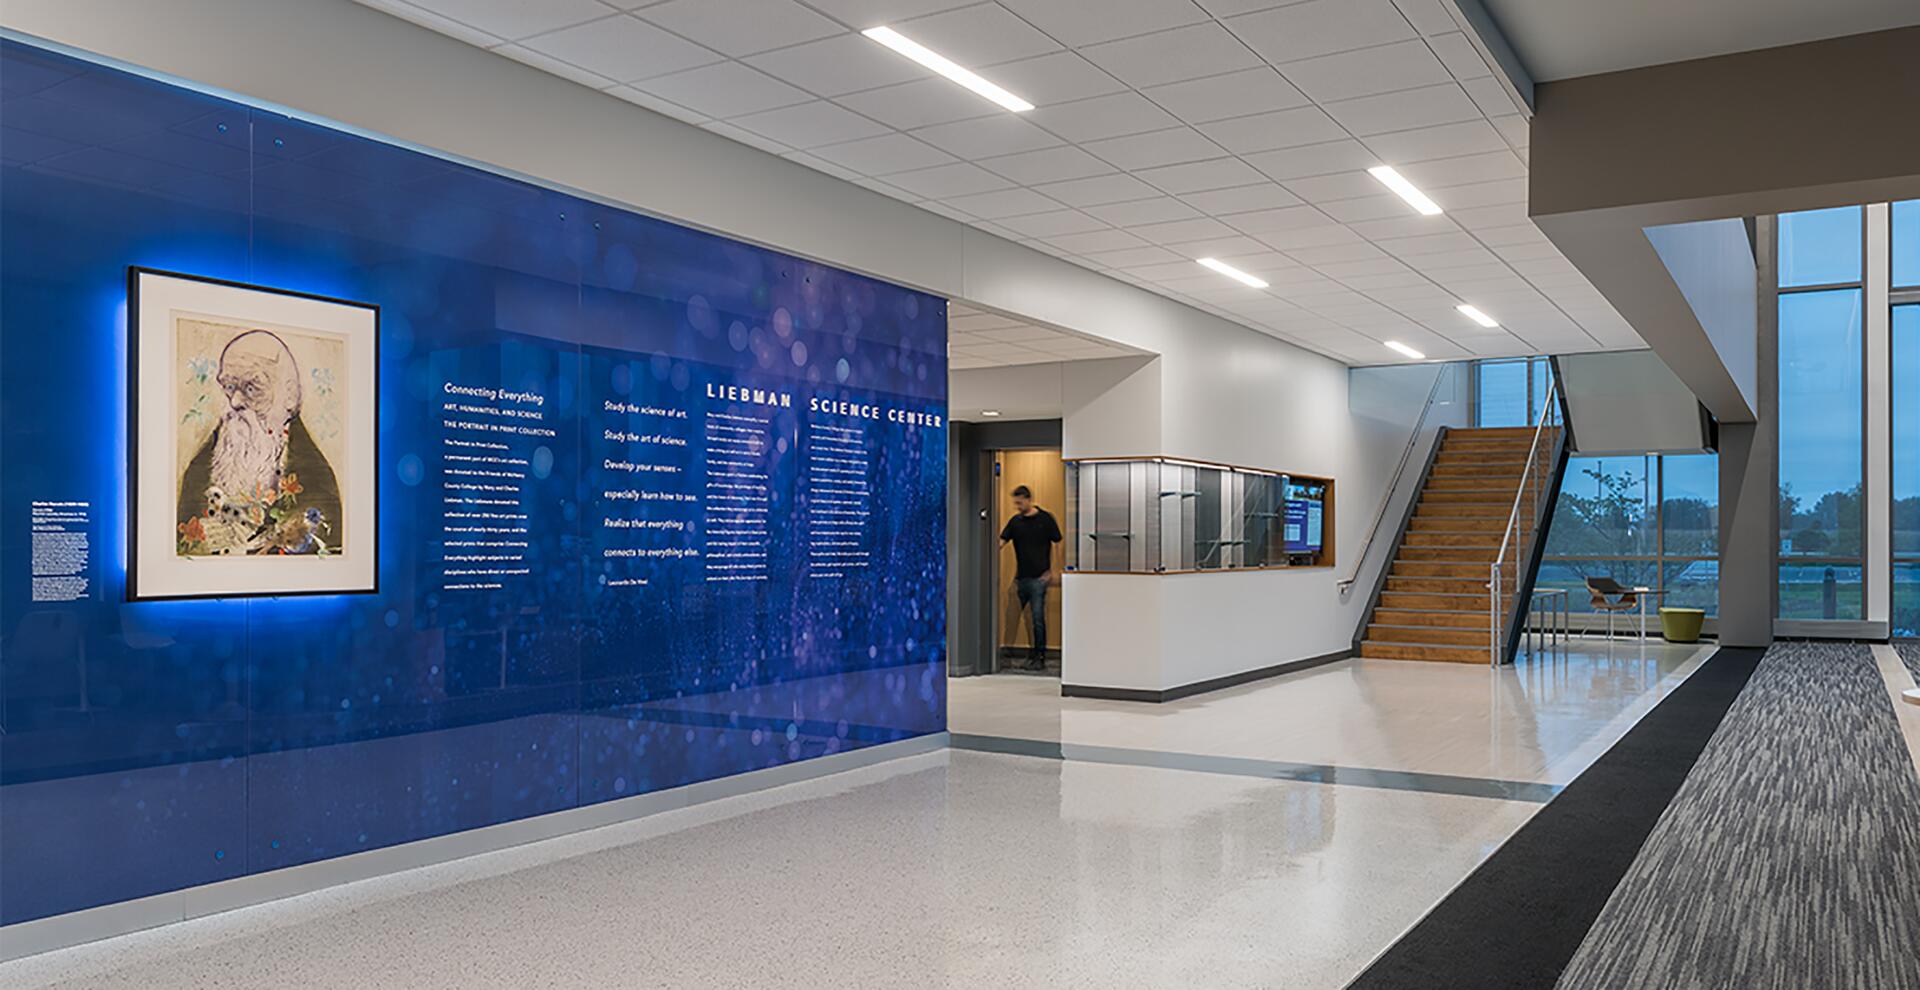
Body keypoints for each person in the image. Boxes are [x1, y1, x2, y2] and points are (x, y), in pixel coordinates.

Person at [999, 485, 1062, 671]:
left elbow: (1058, 542)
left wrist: (1054, 571)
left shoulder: (1046, 519)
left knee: (1037, 619)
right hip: (1020, 578)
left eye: (1020, 503)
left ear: (1028, 499)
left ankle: (1039, 657)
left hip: (1039, 579)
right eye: (1016, 503)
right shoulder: (1015, 522)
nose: (1017, 507)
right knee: (1012, 618)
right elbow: (1001, 542)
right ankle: (1006, 657)